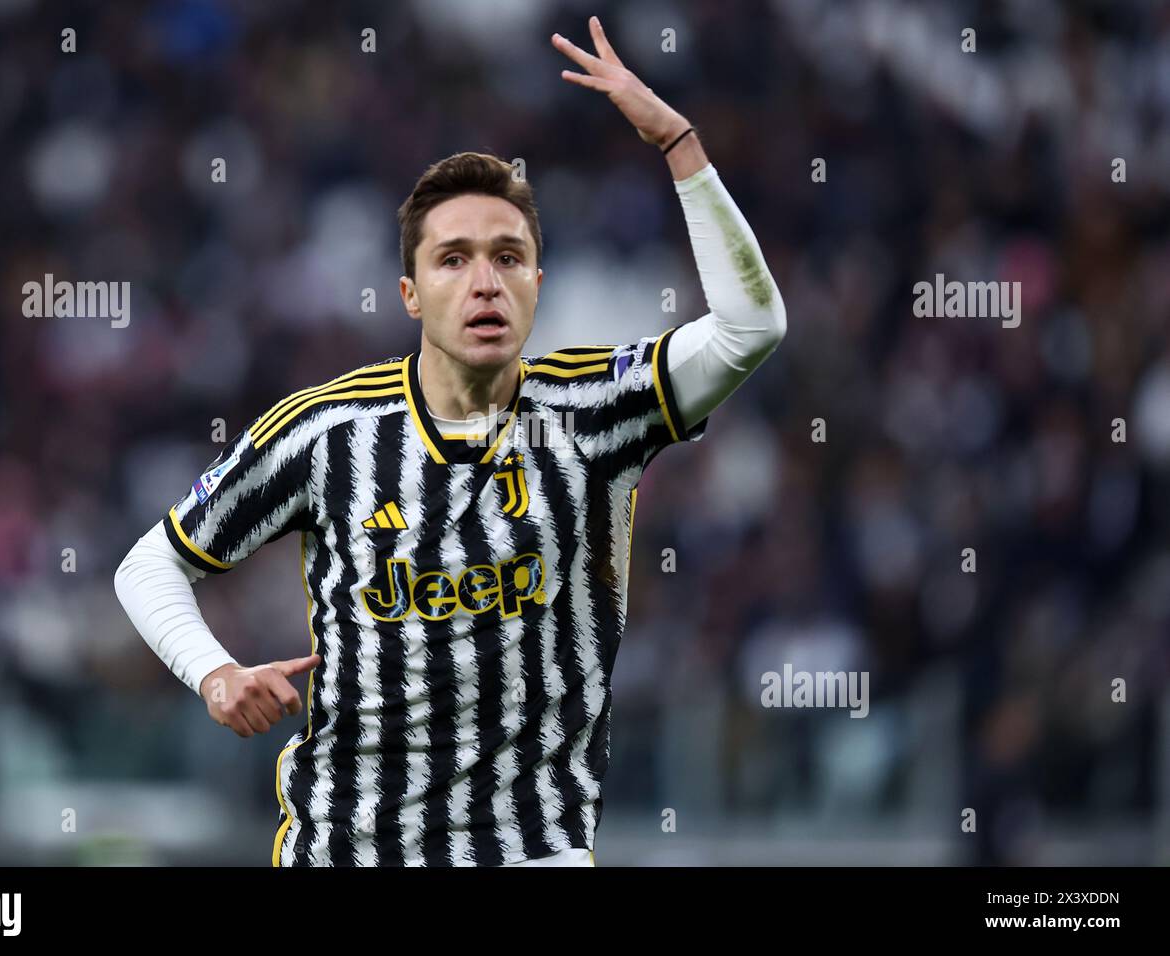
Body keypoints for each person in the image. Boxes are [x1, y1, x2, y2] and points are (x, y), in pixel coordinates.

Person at [115, 16, 786, 866]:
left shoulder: (594, 410)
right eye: (454, 259)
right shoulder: (328, 434)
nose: (484, 282)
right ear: (408, 292)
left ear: (539, 285)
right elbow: (150, 563)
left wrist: (679, 144)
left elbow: (750, 328)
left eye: (509, 258)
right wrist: (214, 672)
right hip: (348, 851)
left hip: (530, 850)